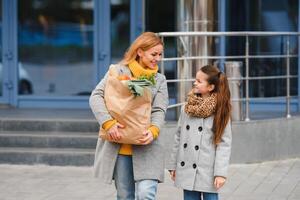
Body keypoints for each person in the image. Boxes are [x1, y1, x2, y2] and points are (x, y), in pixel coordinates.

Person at [89, 32, 169, 200]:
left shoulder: (159, 79)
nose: (158, 58)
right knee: (125, 195)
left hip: (147, 144)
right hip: (120, 144)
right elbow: (96, 97)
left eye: (160, 54)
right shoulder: (117, 71)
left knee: (146, 193)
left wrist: (154, 130)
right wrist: (108, 123)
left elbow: (159, 109)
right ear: (140, 52)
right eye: (154, 54)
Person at [167, 65, 232, 200]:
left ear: (211, 87)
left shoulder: (220, 111)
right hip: (187, 166)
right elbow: (178, 137)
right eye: (195, 79)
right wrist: (173, 165)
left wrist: (220, 173)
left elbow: (224, 144)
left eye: (199, 81)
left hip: (208, 170)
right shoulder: (187, 107)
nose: (194, 83)